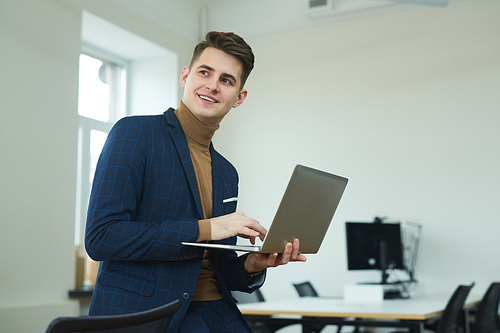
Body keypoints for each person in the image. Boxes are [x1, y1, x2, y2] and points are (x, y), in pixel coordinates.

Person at [85, 31, 306, 332]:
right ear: (186, 76)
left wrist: (251, 265)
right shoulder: (135, 134)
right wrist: (209, 228)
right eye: (205, 72)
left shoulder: (227, 173)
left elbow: (215, 268)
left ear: (239, 97)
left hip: (218, 313)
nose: (213, 86)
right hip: (153, 314)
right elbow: (102, 237)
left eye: (226, 80)